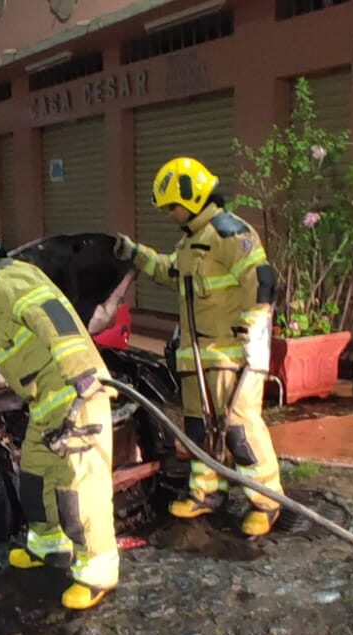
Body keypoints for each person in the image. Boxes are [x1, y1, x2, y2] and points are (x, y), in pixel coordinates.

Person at [0, 233, 119, 610]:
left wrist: (82, 377)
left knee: (78, 490)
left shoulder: (7, 280)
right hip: (46, 403)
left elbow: (52, 318)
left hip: (76, 396)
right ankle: (49, 548)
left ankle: (98, 571)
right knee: (34, 480)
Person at [112, 157, 285, 537]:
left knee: (239, 429)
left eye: (172, 206)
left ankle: (266, 501)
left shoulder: (228, 234)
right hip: (198, 358)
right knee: (199, 431)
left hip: (232, 355)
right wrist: (134, 253)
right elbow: (168, 271)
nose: (170, 214)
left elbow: (262, 280)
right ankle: (207, 493)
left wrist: (254, 324)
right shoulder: (190, 243)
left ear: (190, 198)